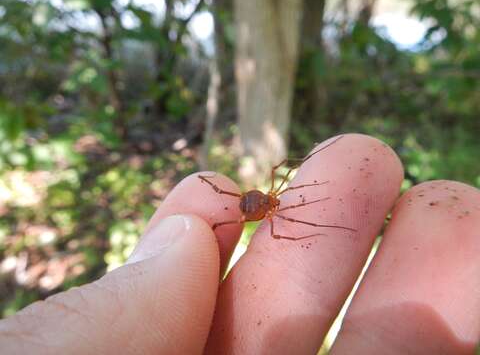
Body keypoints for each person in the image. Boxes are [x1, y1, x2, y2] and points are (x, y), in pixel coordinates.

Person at [0, 134, 479, 354]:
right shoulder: (263, 209)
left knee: (288, 199)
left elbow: (279, 192)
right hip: (252, 206)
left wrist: (294, 190)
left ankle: (320, 164)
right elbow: (273, 213)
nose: (278, 200)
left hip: (258, 202)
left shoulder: (272, 199)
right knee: (279, 221)